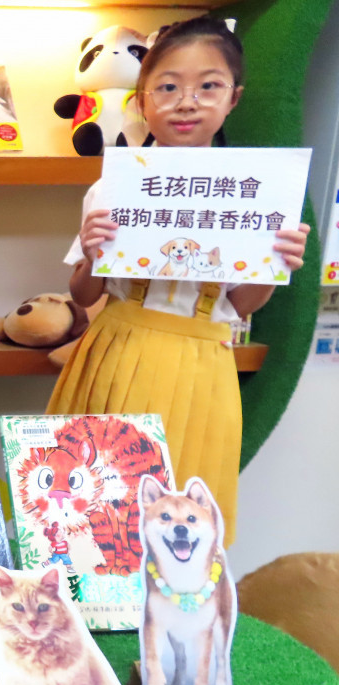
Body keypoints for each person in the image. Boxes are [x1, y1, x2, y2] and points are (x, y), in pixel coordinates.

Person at [49, 17, 310, 546]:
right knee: (93, 504)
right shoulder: (114, 184)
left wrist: (276, 264)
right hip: (116, 353)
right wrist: (93, 254)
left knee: (177, 515)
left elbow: (240, 305)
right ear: (142, 100)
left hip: (200, 366)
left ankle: (168, 615)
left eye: (208, 86)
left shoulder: (256, 193)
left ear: (233, 98)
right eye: (168, 87)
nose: (187, 102)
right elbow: (84, 296)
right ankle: (86, 611)